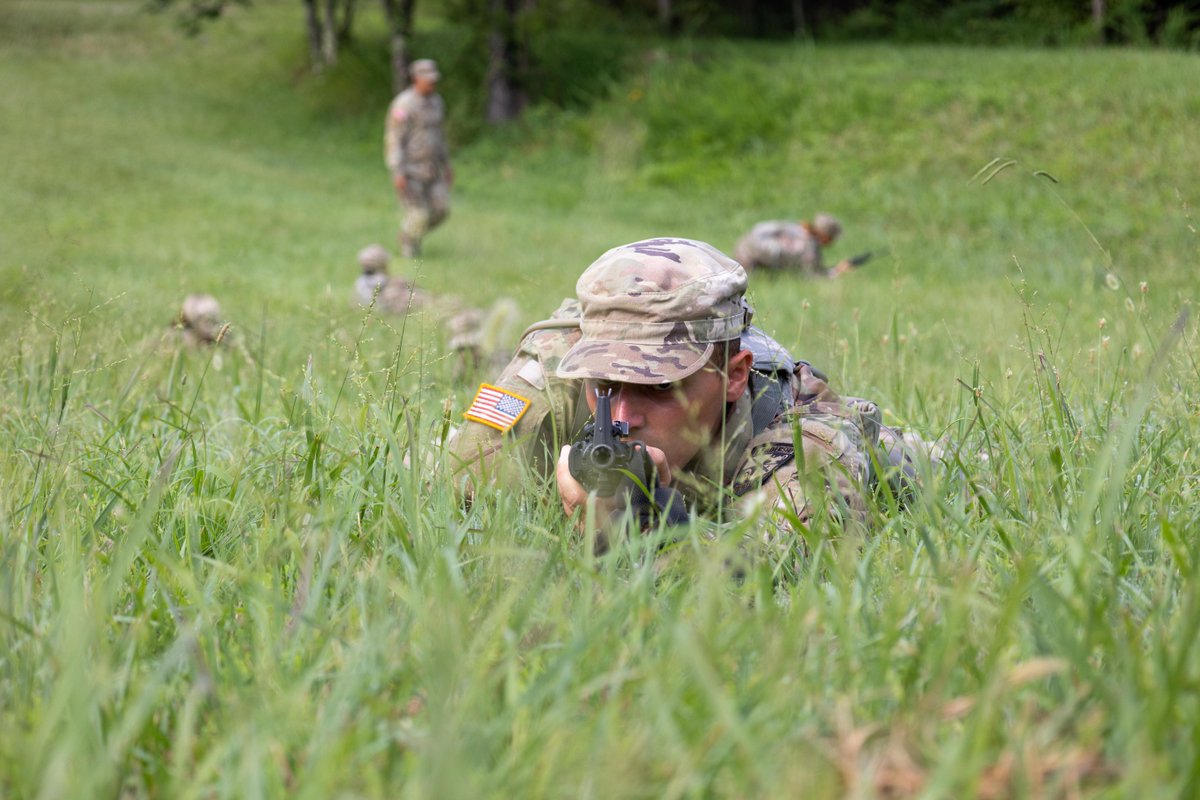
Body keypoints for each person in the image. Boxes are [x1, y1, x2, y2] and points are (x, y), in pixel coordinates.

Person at [446, 237, 934, 552]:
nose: (622, 414)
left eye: (660, 387)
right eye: (605, 385)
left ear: (735, 376)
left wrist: (651, 529)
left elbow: (778, 569)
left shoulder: (805, 435)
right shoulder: (557, 373)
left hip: (883, 456)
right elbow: (453, 498)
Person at [384, 58, 453, 259]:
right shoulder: (404, 105)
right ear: (415, 79)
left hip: (433, 168)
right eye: (427, 79)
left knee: (441, 210)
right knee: (418, 214)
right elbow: (394, 140)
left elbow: (440, 136)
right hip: (411, 169)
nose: (432, 83)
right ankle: (409, 249)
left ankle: (411, 234)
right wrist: (397, 171)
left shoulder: (437, 102)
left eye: (434, 79)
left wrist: (446, 164)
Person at [733, 213, 859, 278]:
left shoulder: (799, 230)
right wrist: (837, 272)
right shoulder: (809, 248)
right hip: (749, 258)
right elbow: (814, 277)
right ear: (825, 236)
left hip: (743, 247)